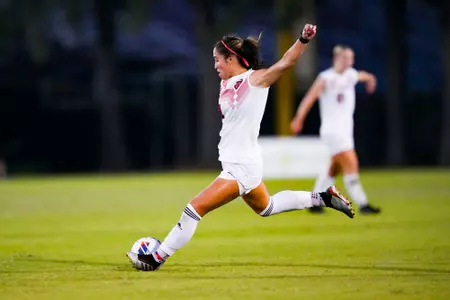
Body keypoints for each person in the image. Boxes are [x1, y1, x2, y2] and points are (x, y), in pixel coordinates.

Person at [127, 24, 355, 272]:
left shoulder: (255, 80)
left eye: (217, 60)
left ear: (233, 58)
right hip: (241, 162)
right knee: (267, 207)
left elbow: (285, 64)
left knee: (194, 209)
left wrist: (302, 39)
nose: (215, 66)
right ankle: (323, 197)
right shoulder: (226, 83)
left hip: (240, 167)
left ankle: (155, 258)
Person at [290, 45, 381, 215]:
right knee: (351, 163)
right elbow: (309, 98)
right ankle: (363, 204)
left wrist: (371, 79)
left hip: (344, 132)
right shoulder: (326, 78)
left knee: (333, 168)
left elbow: (361, 75)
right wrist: (298, 118)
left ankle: (313, 202)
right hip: (333, 132)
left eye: (351, 58)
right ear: (337, 59)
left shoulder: (350, 75)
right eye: (346, 58)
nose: (350, 61)